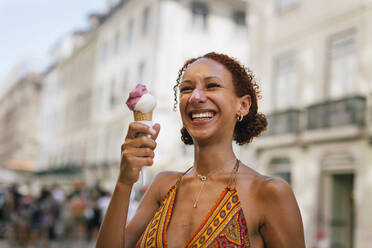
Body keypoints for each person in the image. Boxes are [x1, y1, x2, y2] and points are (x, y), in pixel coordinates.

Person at [96, 52, 305, 248]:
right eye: (186, 89)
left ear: (243, 105)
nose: (195, 97)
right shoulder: (162, 185)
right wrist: (124, 182)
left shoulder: (268, 192)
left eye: (212, 85)